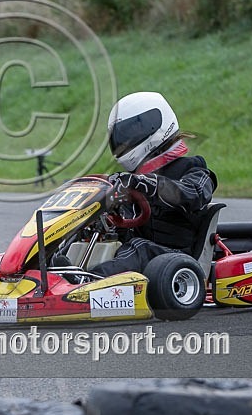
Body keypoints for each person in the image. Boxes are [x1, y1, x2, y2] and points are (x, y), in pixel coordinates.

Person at [88, 91, 217, 277]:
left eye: (132, 133)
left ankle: (87, 282)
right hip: (136, 256)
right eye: (121, 136)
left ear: (157, 126)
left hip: (177, 260)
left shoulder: (193, 169)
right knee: (85, 238)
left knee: (139, 248)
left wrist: (146, 184)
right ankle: (56, 274)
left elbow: (194, 193)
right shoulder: (130, 181)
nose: (125, 141)